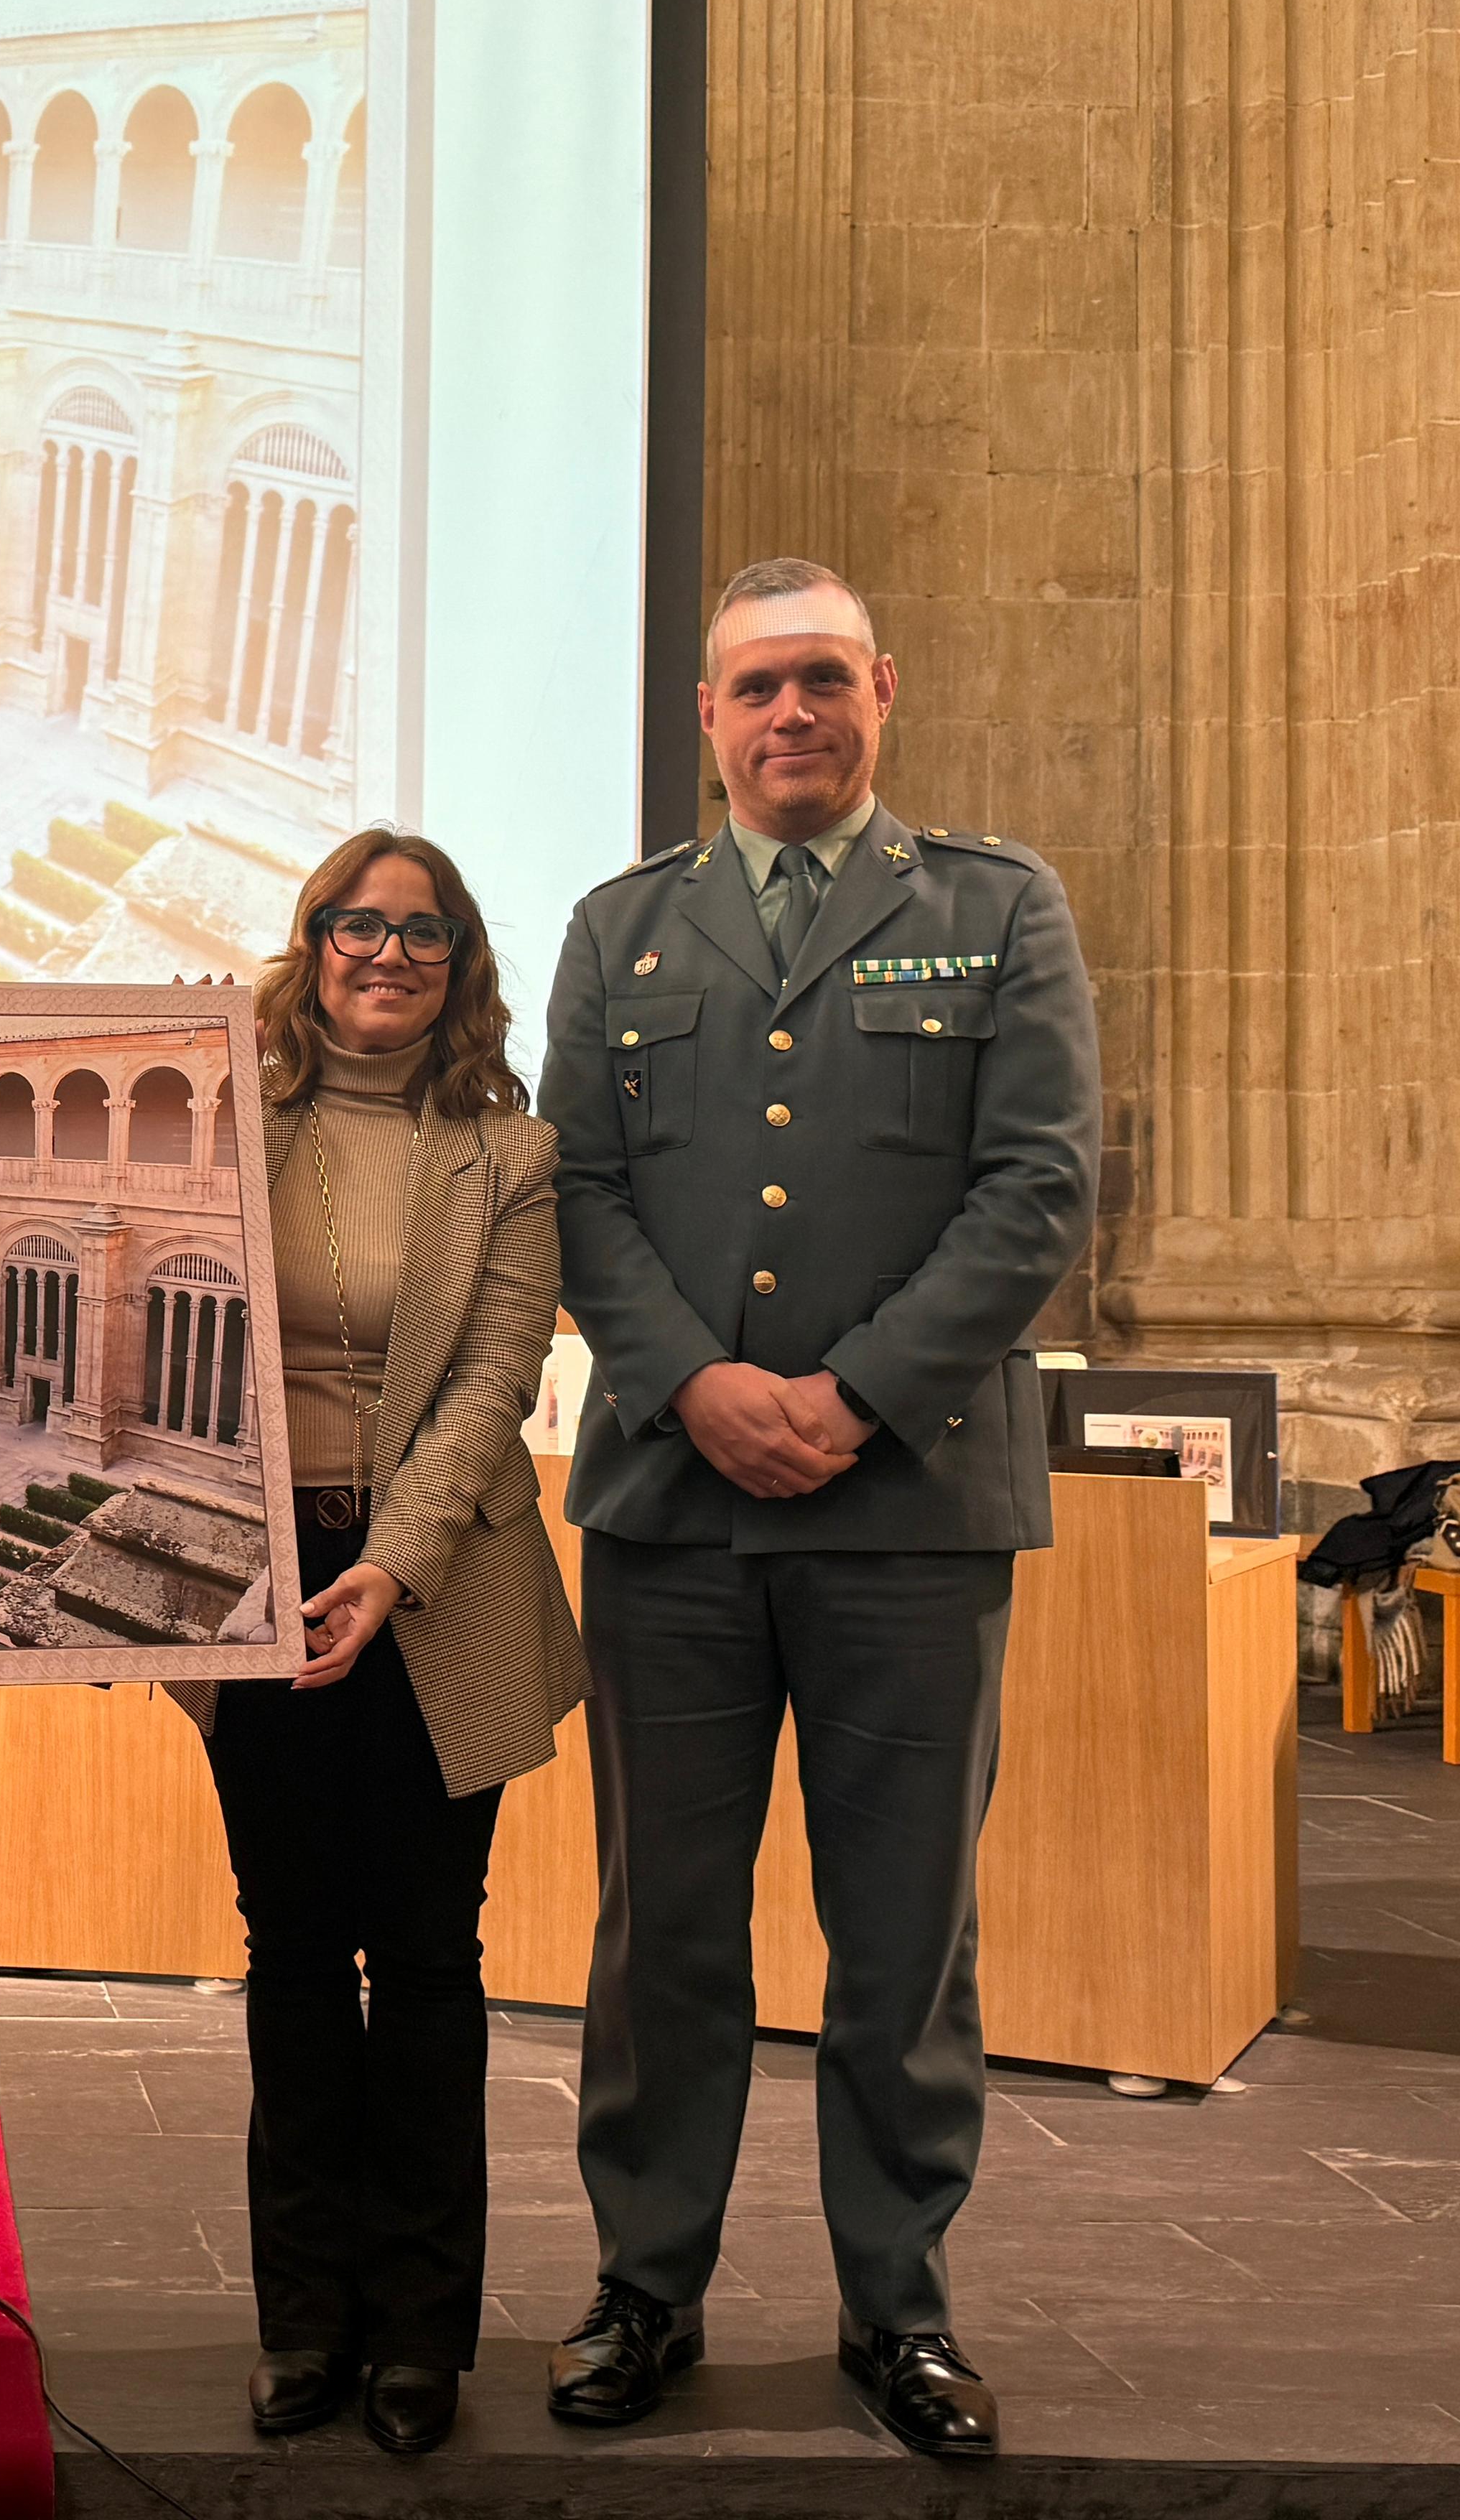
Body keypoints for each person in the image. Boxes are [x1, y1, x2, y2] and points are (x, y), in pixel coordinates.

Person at [536, 559, 1098, 2460]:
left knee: (904, 1938)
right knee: (665, 1935)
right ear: (706, 716)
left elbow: (1037, 1186)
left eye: (825, 681)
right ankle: (645, 2289)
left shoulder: (995, 909)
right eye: (758, 686)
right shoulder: (621, 929)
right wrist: (695, 1383)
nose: (793, 713)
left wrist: (853, 1396)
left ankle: (900, 2310)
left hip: (909, 1511)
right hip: (673, 1509)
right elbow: (577, 1188)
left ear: (883, 693)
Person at [166, 829, 583, 2460]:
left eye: (422, 932)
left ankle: (418, 2334)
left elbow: (494, 1381)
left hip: (435, 1586)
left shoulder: (511, 1156)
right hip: (256, 1578)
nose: (386, 953)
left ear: (458, 961)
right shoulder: (225, 1120)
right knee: (287, 1949)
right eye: (357, 924)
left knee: (422, 1957)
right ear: (314, 940)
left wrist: (390, 1564)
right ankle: (302, 2322)